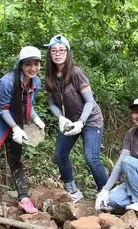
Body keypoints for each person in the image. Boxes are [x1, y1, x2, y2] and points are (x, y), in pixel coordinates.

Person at [0, 46, 46, 217]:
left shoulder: (35, 82)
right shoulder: (7, 82)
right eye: (28, 64)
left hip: (17, 123)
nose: (33, 68)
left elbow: (29, 104)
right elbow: (1, 108)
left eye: (36, 64)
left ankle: (23, 198)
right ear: (21, 65)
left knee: (15, 161)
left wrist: (36, 119)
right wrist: (14, 128)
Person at [44, 34, 108, 202]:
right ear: (50, 53)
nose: (57, 53)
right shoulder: (50, 76)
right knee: (60, 154)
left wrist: (81, 121)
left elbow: (90, 101)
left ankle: (105, 192)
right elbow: (51, 103)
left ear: (67, 52)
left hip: (90, 120)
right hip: (69, 121)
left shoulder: (77, 73)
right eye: (54, 50)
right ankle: (72, 190)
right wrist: (61, 118)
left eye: (61, 50)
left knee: (91, 158)